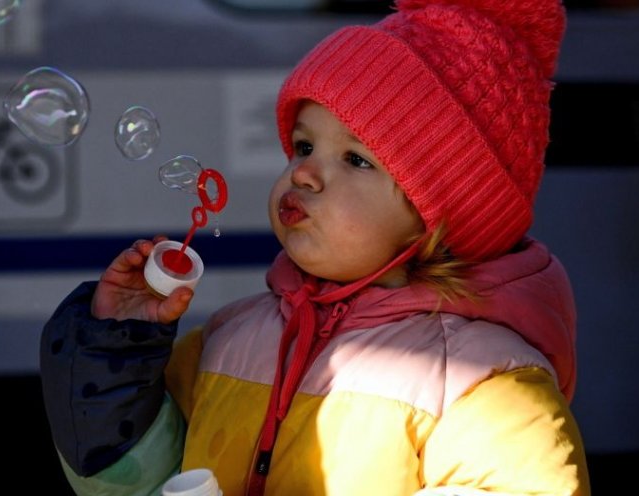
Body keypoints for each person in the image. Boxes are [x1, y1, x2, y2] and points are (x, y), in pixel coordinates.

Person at [40, 0, 590, 494]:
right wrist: (116, 348)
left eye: (355, 159)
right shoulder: (230, 340)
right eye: (304, 144)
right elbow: (123, 481)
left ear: (440, 215)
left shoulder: (482, 382)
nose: (303, 172)